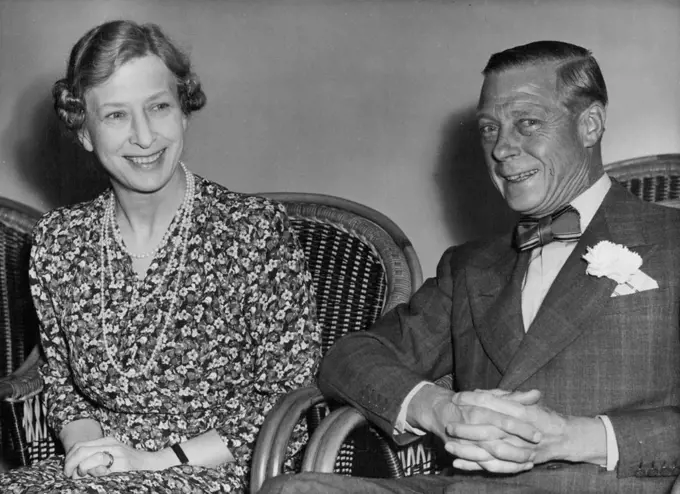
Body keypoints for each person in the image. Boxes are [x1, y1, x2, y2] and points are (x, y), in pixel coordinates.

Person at [260, 41, 680, 493]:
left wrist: (573, 437)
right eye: (488, 129)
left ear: (590, 125)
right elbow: (350, 356)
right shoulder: (470, 266)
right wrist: (438, 408)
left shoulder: (671, 240)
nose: (501, 148)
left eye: (527, 123)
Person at [1, 20, 320, 494]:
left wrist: (152, 462)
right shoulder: (58, 241)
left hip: (220, 469)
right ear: (84, 131)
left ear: (184, 111)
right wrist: (91, 453)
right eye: (115, 116)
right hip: (103, 472)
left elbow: (290, 405)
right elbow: (62, 384)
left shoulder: (254, 230)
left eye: (159, 107)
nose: (145, 136)